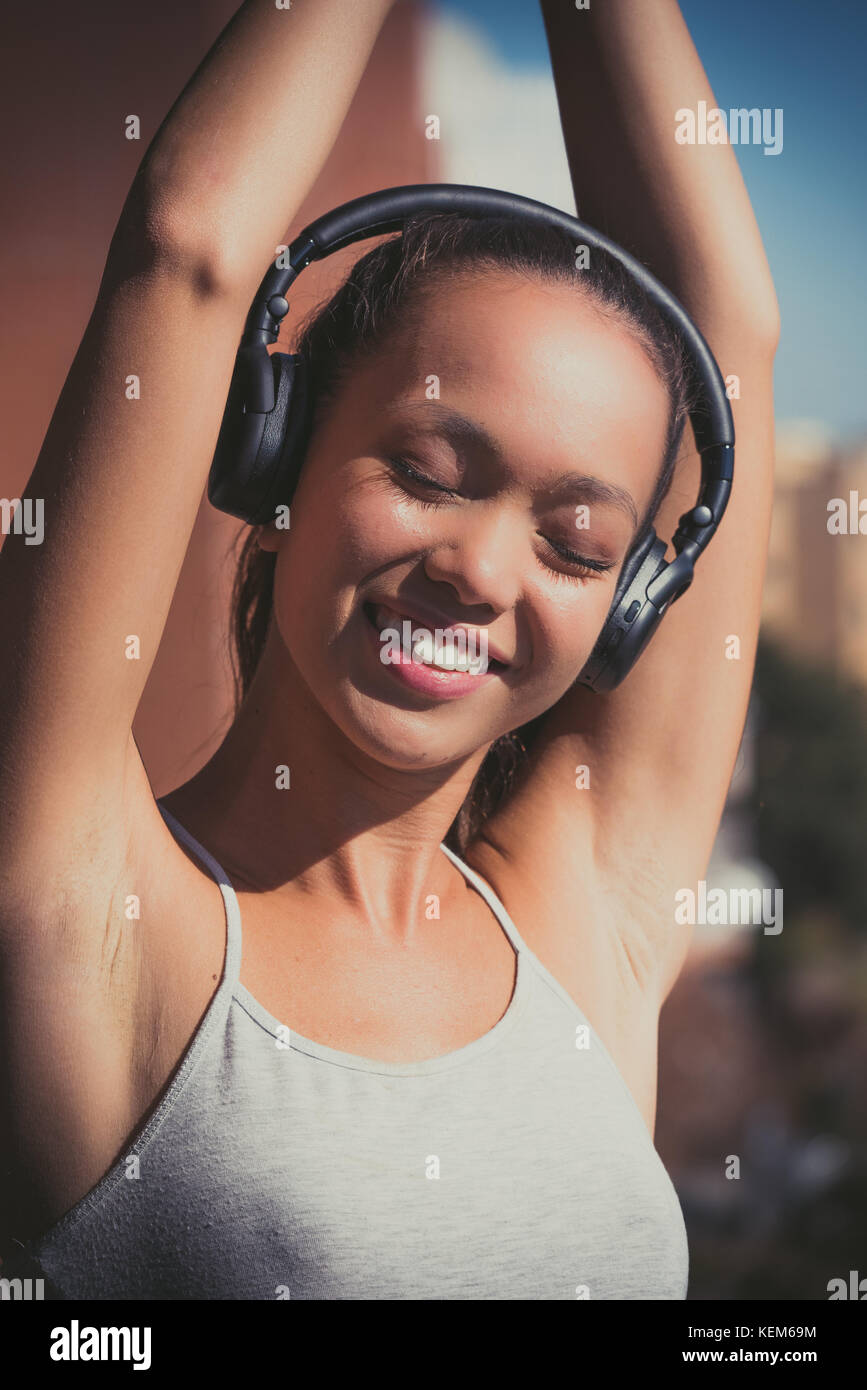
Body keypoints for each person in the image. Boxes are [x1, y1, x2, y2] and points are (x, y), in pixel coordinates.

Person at [0, 0, 779, 1300]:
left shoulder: (590, 920)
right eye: (425, 470)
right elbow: (191, 243)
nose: (480, 565)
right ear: (279, 456)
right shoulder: (99, 918)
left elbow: (725, 336)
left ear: (633, 602)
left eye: (578, 543)